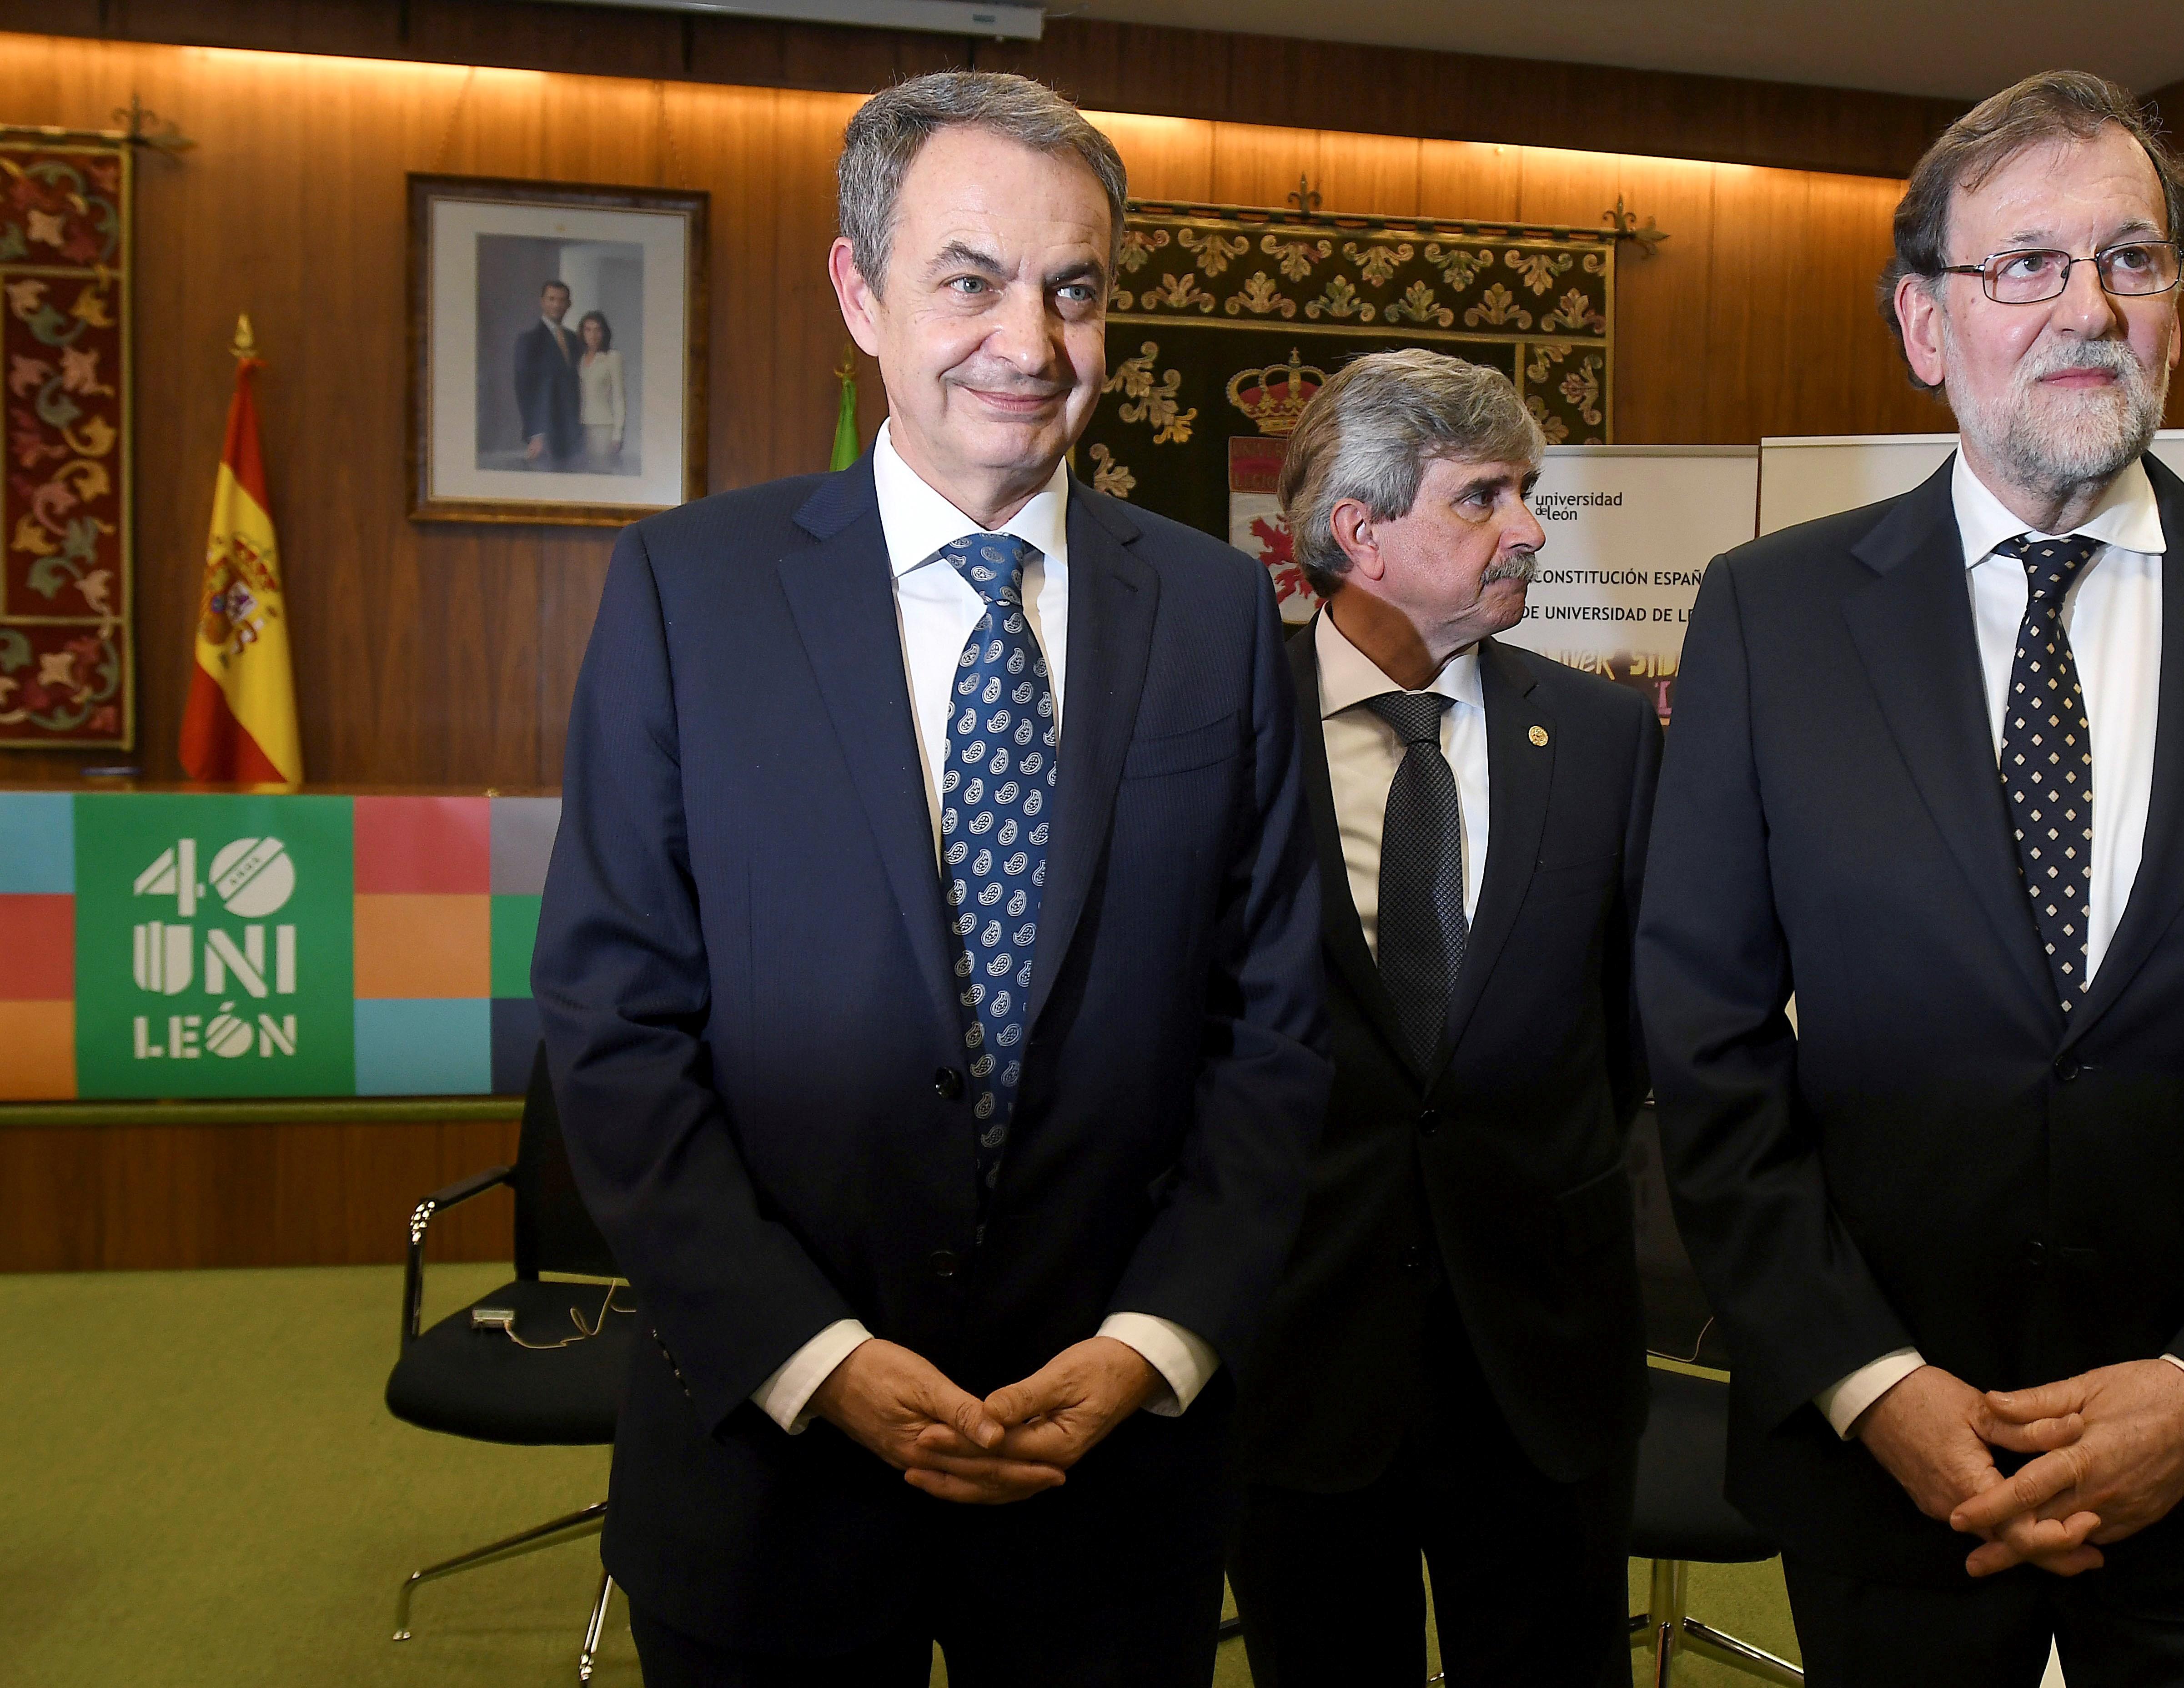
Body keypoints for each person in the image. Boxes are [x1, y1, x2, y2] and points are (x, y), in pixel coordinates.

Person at [1637, 69, 2184, 1688]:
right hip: (1886, 1461)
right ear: (1921, 324)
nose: (2086, 306)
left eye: (2132, 259)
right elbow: (1707, 1043)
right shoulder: (1770, 619)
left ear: (2173, 306)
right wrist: (1870, 1377)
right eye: (2024, 263)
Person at [532, 70, 1330, 1686]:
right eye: (969, 279)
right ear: (859, 291)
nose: (1028, 345)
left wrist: (1148, 1343)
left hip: (1108, 1476)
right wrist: (812, 1355)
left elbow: (1282, 1029)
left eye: (1076, 290)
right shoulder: (690, 594)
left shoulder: (1222, 614)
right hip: (772, 1471)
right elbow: (611, 1024)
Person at [1227, 349, 1661, 1688]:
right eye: (1482, 497)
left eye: (1525, 492)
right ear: (1355, 531)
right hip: (1297, 1352)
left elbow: (1628, 1030)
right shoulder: (1227, 731)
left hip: (1540, 1356)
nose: (1528, 529)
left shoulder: (1599, 735)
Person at [513, 278, 581, 467]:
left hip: (574, 432)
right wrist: (536, 434)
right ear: (542, 302)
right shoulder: (529, 341)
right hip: (546, 433)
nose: (557, 305)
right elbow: (524, 390)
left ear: (569, 305)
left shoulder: (574, 339)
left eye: (562, 300)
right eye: (551, 299)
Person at [575, 310, 623, 467]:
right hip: (580, 426)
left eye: (597, 330)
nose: (593, 335)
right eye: (588, 330)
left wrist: (617, 435)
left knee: (600, 470)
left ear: (604, 332)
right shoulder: (580, 359)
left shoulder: (612, 358)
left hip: (603, 426)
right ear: (582, 333)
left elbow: (619, 397)